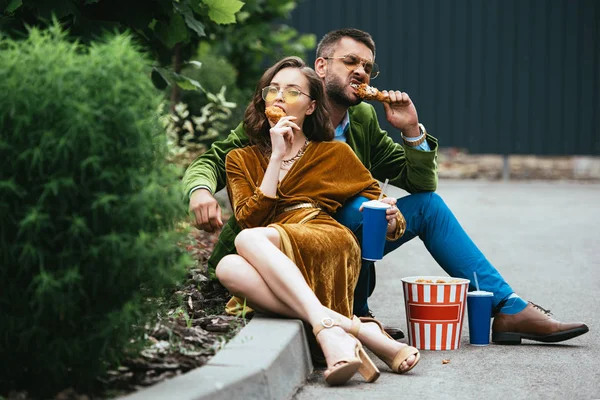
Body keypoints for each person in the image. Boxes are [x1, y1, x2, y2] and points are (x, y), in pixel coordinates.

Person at [183, 28, 589, 344]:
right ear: (321, 68)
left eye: (368, 67)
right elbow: (215, 160)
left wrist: (411, 130)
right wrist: (200, 190)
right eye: (350, 61)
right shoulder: (280, 108)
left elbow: (417, 181)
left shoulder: (361, 122)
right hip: (272, 246)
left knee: (424, 206)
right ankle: (356, 310)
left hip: (336, 242)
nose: (361, 72)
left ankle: (506, 307)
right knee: (359, 205)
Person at [215, 56, 420, 386]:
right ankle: (347, 328)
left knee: (246, 243)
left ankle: (331, 333)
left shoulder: (334, 153)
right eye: (273, 90)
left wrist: (392, 216)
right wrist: (277, 155)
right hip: (271, 245)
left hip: (325, 237)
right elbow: (249, 221)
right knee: (227, 267)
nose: (280, 97)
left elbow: (384, 213)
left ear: (311, 107)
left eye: (293, 91)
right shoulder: (240, 158)